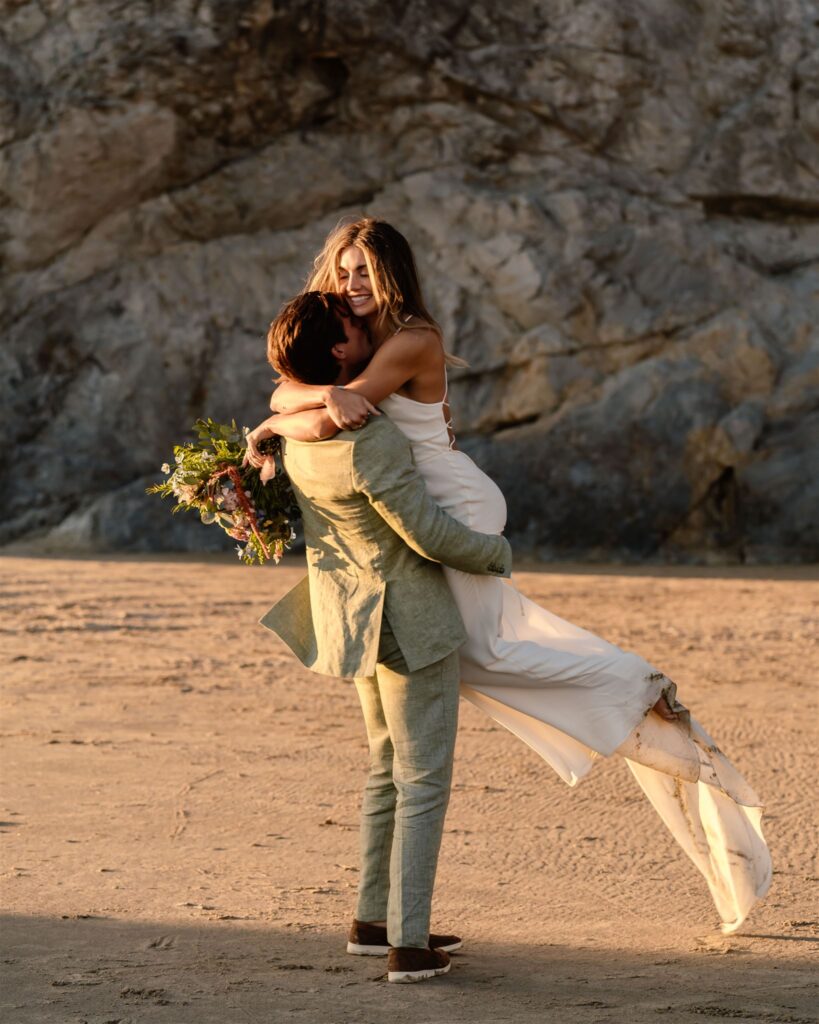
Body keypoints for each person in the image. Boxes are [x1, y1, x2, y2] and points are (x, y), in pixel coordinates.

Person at [246, 219, 771, 935]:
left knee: (486, 656)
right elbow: (304, 399)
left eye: (364, 272)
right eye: (342, 272)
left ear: (392, 274)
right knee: (474, 668)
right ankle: (626, 696)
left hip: (450, 509)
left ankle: (631, 693)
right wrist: (289, 409)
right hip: (420, 521)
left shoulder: (411, 340)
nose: (350, 285)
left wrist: (291, 412)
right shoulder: (344, 351)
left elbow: (342, 406)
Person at [256, 290, 513, 983]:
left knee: (383, 771)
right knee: (422, 779)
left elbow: (283, 409)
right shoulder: (369, 437)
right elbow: (424, 534)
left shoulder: (299, 437)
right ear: (339, 353)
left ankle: (373, 922)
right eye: (349, 324)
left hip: (350, 620)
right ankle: (407, 944)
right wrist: (497, 554)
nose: (361, 321)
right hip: (408, 622)